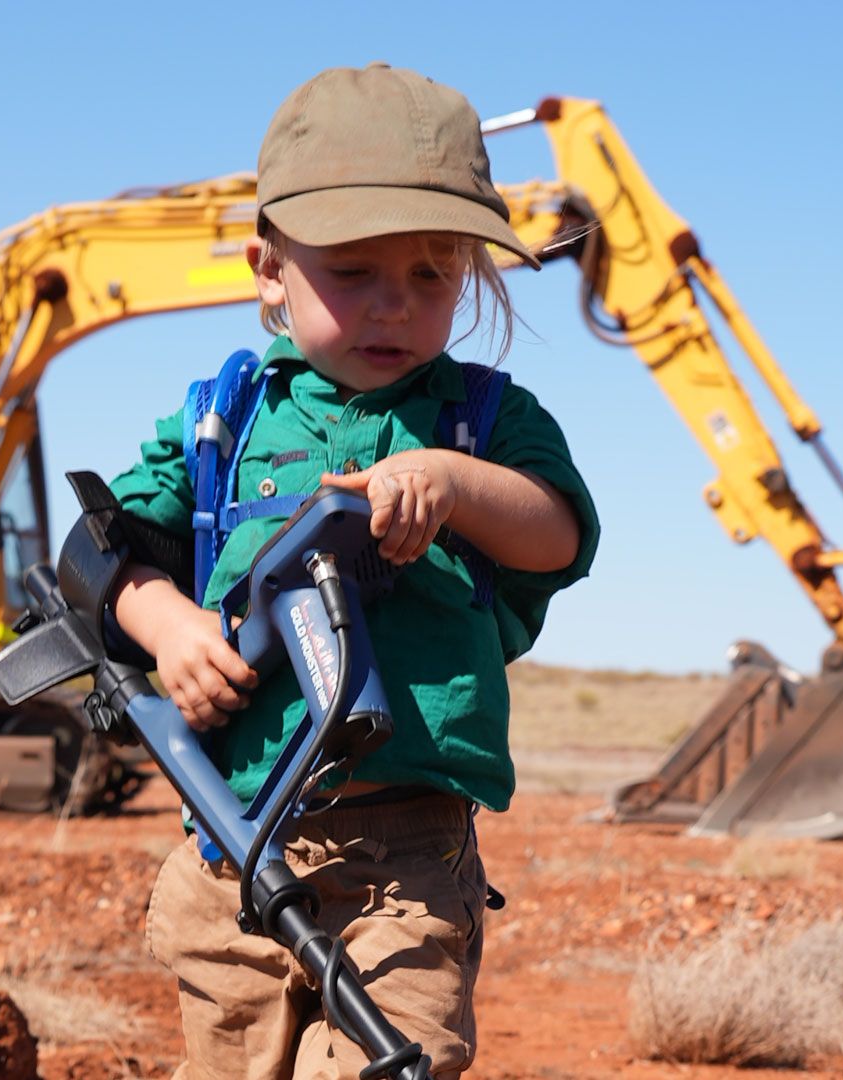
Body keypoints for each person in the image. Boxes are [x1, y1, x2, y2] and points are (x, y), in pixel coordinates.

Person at [106, 63, 599, 1078]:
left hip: (408, 860)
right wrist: (168, 626)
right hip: (231, 848)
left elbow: (558, 536)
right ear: (268, 270)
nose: (394, 307)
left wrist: (455, 483)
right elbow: (101, 555)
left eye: (431, 275)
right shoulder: (221, 423)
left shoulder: (486, 420)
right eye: (354, 270)